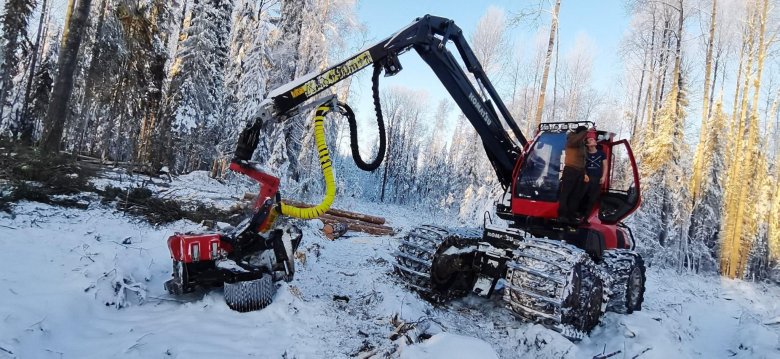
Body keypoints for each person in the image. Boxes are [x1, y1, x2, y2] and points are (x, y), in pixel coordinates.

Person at [558, 125, 589, 224]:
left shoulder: (582, 144)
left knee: (575, 195)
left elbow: (583, 161)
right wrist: (585, 132)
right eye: (584, 133)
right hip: (570, 170)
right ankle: (562, 215)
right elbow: (574, 141)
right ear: (580, 133)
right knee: (566, 193)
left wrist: (584, 173)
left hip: (579, 172)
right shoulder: (572, 139)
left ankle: (570, 216)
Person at [581, 129, 607, 219]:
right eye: (591, 140)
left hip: (597, 179)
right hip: (586, 178)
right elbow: (581, 165)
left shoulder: (601, 154)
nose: (594, 140)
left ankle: (586, 217)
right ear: (588, 145)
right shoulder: (585, 154)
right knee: (582, 196)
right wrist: (584, 174)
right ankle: (579, 214)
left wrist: (603, 177)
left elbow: (605, 166)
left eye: (594, 139)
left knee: (592, 199)